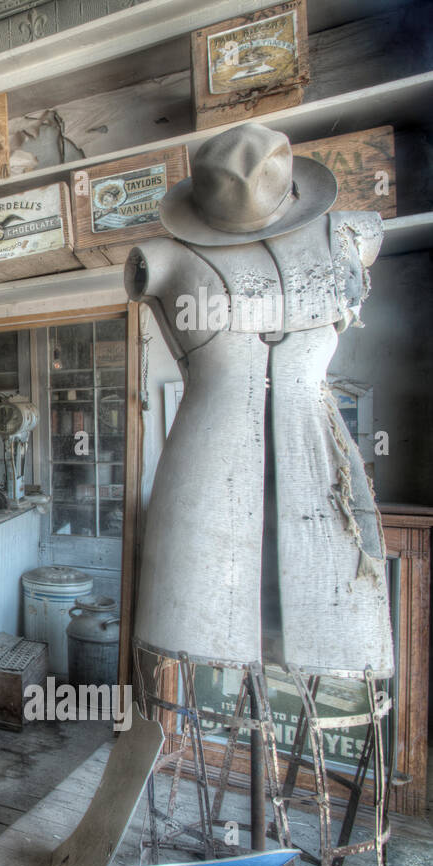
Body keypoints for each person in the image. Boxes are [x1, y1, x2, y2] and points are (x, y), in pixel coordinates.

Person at [126, 122, 391, 680]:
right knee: (193, 630)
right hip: (204, 479)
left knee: (341, 642)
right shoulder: (166, 260)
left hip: (324, 473)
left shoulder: (349, 236)